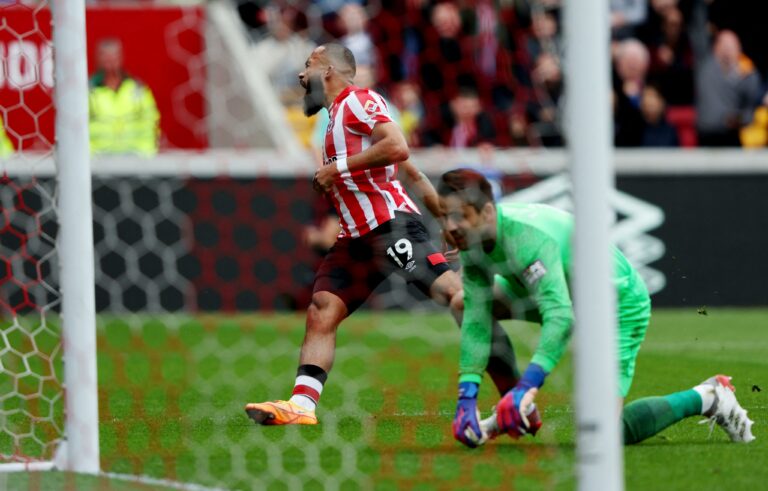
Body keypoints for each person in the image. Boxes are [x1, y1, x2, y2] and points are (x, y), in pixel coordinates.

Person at [244, 44, 521, 427]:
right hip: (355, 238)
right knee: (322, 309)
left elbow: (397, 146)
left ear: (327, 71)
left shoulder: (359, 101)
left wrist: (336, 169)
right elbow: (410, 170)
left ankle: (516, 395)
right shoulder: (331, 121)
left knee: (456, 296)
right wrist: (441, 214)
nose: (300, 76)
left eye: (307, 66)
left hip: (390, 227)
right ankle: (301, 405)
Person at [437, 169, 755, 447]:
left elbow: (559, 318)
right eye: (445, 216)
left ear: (488, 212)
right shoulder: (474, 240)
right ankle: (516, 409)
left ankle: (710, 397)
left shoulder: (528, 239)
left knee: (605, 434)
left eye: (460, 216)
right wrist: (467, 394)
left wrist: (529, 384)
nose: (452, 227)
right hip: (556, 292)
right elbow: (478, 316)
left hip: (615, 304)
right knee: (464, 304)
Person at [88, 38, 160, 155]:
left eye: (113, 56)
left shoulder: (137, 89)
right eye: (105, 57)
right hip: (97, 159)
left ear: (120, 57)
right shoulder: (88, 91)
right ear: (98, 59)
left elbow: (151, 120)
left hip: (136, 158)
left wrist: (146, 152)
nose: (110, 61)